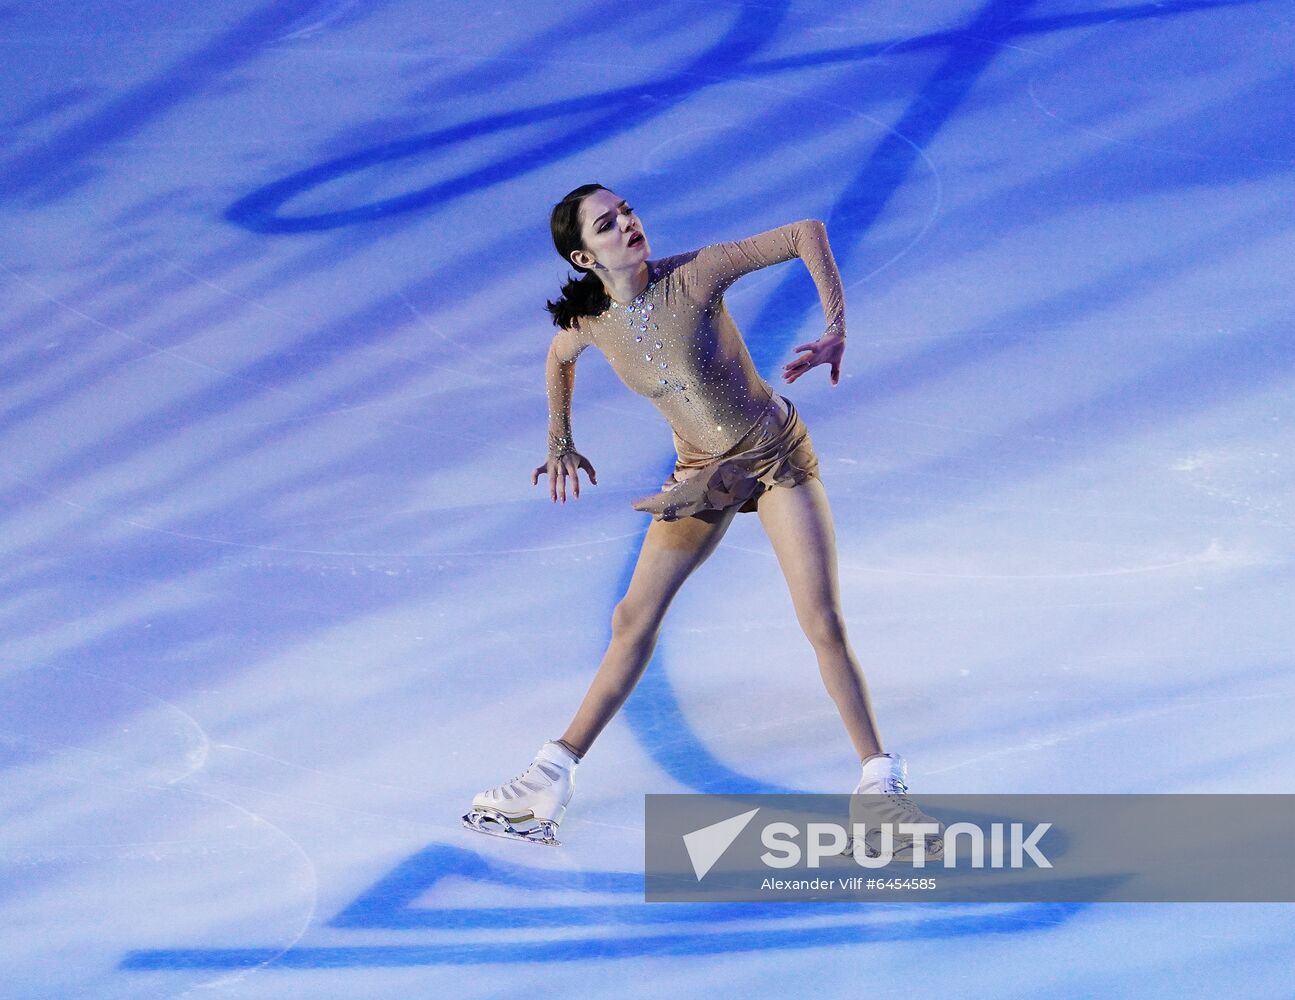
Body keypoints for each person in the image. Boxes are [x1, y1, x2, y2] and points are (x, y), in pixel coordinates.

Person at [462, 183, 942, 858]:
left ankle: (879, 786)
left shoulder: (694, 275)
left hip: (774, 459)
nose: (627, 222)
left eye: (626, 210)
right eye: (607, 223)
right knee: (631, 619)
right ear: (582, 256)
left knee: (820, 620)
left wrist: (835, 328)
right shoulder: (591, 320)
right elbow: (558, 357)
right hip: (701, 475)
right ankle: (549, 775)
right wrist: (558, 439)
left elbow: (804, 230)